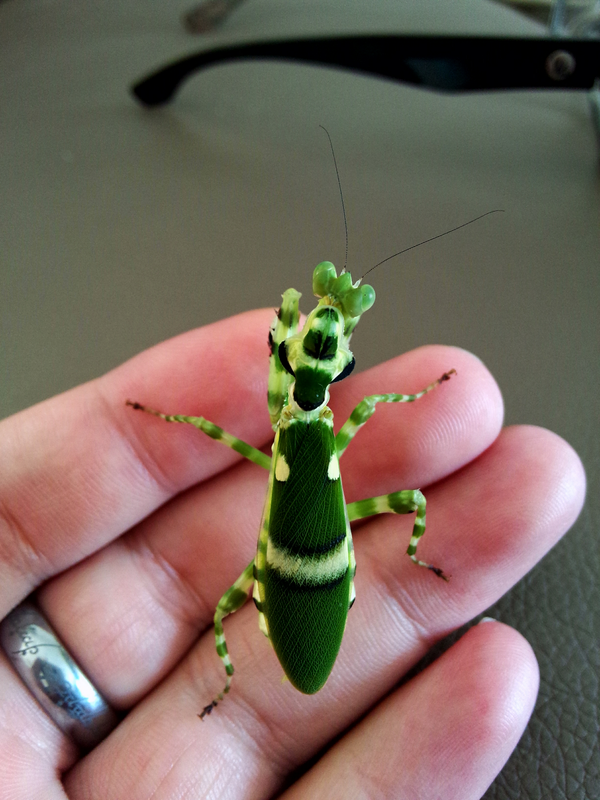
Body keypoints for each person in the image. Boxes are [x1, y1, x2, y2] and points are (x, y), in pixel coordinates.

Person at [0, 307, 585, 799]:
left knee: (224, 609)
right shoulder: (338, 418)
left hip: (291, 564)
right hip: (314, 556)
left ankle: (227, 684)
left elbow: (216, 426)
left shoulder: (288, 417)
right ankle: (407, 559)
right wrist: (419, 395)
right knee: (409, 501)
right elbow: (368, 402)